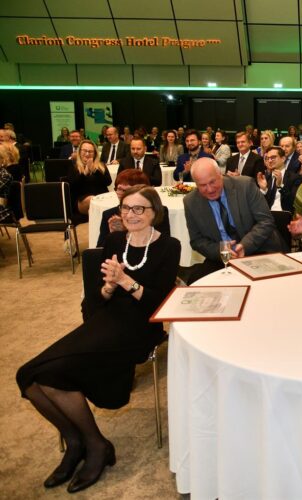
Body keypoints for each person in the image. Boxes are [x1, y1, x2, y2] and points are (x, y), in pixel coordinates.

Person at [16, 185, 180, 493]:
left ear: (154, 213)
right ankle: (76, 440)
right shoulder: (115, 241)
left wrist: (125, 281)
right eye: (126, 208)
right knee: (27, 376)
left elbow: (159, 305)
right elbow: (95, 301)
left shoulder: (169, 246)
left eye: (139, 208)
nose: (131, 214)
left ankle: (95, 445)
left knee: (51, 376)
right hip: (105, 321)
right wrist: (107, 288)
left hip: (140, 328)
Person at [184, 157, 284, 283]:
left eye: (212, 182)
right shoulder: (190, 202)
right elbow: (197, 240)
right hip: (223, 257)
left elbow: (266, 221)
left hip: (258, 249)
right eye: (202, 185)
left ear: (220, 175)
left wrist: (244, 246)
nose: (209, 189)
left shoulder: (245, 185)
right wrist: (220, 250)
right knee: (196, 282)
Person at [96, 170, 170, 246]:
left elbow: (164, 245)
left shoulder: (155, 210)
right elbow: (101, 249)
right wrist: (114, 235)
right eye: (119, 189)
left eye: (128, 190)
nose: (121, 193)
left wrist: (125, 231)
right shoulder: (109, 214)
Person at [67, 139, 111, 218]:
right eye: (85, 151)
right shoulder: (73, 166)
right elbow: (72, 186)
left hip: (101, 197)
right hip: (81, 200)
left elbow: (108, 182)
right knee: (92, 200)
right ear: (80, 151)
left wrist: (95, 171)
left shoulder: (101, 166)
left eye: (90, 151)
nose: (87, 154)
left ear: (95, 153)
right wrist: (84, 173)